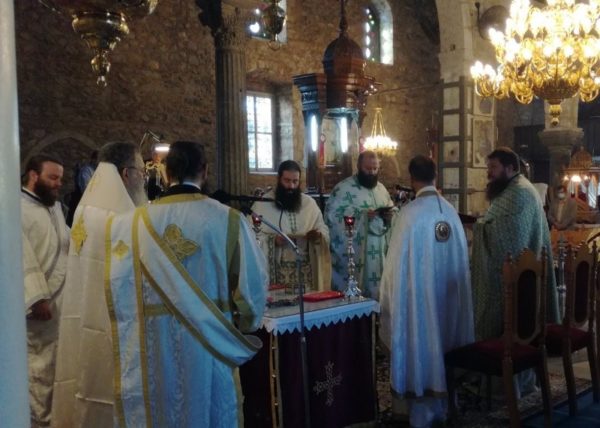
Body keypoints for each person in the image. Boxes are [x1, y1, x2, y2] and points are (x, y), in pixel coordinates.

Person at [105, 141, 267, 427]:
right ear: (205, 170)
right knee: (211, 410)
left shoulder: (132, 223)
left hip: (156, 345)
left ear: (166, 172)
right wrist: (246, 322)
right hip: (211, 340)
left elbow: (120, 286)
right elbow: (252, 287)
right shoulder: (228, 219)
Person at [51, 142, 147, 428]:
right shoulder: (121, 214)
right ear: (126, 173)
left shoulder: (86, 207)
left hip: (82, 309)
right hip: (112, 318)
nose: (144, 178)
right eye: (142, 171)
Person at [379, 155, 473, 428]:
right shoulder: (450, 212)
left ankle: (423, 412)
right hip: (448, 301)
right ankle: (446, 404)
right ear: (436, 176)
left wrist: (389, 296)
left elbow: (395, 267)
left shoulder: (409, 215)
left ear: (412, 179)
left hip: (420, 303)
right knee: (444, 341)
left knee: (421, 343)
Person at [472, 147, 559, 341]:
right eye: (488, 167)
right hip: (530, 267)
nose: (489, 172)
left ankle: (497, 339)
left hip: (519, 273)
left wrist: (478, 227)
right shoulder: (518, 187)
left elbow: (507, 238)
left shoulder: (517, 192)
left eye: (493, 167)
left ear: (510, 167)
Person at [21, 154, 70, 427]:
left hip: (61, 303)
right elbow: (20, 255)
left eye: (60, 178)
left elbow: (65, 243)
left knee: (56, 368)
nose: (58, 183)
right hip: (38, 307)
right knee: (38, 369)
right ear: (33, 175)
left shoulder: (53, 208)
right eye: (53, 177)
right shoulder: (15, 208)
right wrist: (36, 297)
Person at [324, 150, 396, 299]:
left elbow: (391, 212)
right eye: (368, 168)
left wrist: (389, 216)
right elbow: (332, 218)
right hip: (358, 252)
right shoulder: (343, 189)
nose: (372, 172)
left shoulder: (382, 189)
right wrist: (361, 216)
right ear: (358, 166)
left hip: (379, 251)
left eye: (375, 168)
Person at [250, 160, 331, 291]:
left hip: (306, 273)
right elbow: (250, 237)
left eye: (295, 181)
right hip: (277, 274)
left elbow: (323, 230)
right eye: (287, 181)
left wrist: (318, 235)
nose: (291, 186)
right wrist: (273, 240)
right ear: (278, 179)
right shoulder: (262, 204)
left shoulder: (309, 204)